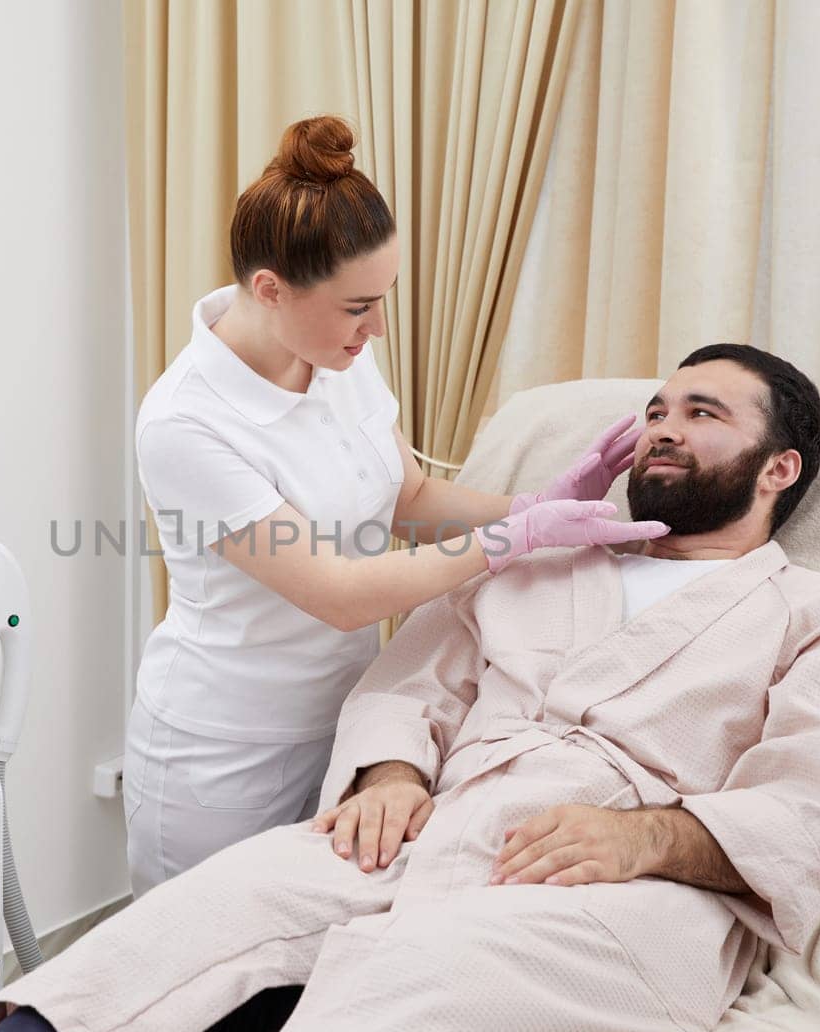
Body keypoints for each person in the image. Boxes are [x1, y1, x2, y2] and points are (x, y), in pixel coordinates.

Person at [0, 343, 820, 1032]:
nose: (662, 427)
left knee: (406, 982)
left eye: (702, 413)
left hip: (620, 891)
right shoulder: (545, 557)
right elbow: (410, 681)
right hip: (424, 832)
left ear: (778, 468)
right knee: (195, 918)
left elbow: (810, 809)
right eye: (656, 409)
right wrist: (393, 771)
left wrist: (642, 839)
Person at [125, 114, 666, 895]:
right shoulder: (188, 423)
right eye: (356, 307)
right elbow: (340, 594)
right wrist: (514, 538)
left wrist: (533, 501)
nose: (376, 327)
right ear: (270, 290)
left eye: (383, 299)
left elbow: (405, 497)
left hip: (346, 723)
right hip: (223, 756)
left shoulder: (339, 355)